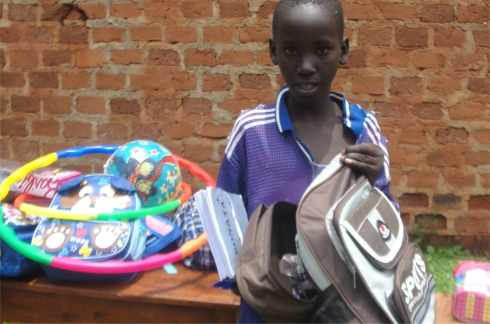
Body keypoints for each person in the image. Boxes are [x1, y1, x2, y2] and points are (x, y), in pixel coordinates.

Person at [175, 0, 398, 322]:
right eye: (291, 51)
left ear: (344, 50)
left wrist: (376, 183)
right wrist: (241, 279)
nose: (306, 66)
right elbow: (226, 215)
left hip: (344, 306)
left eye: (322, 50)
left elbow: (387, 228)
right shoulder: (253, 131)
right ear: (273, 52)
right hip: (267, 306)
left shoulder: (363, 133)